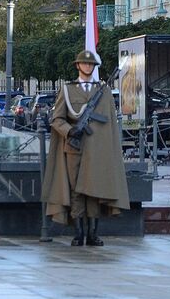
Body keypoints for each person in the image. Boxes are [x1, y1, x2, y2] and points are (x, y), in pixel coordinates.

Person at [41, 51, 130, 247]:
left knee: (94, 190)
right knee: (76, 192)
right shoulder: (67, 90)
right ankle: (78, 233)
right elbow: (57, 119)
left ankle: (93, 234)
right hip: (75, 147)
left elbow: (109, 123)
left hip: (97, 150)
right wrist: (70, 131)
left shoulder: (103, 90)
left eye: (91, 65)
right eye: (84, 64)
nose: (88, 67)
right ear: (78, 66)